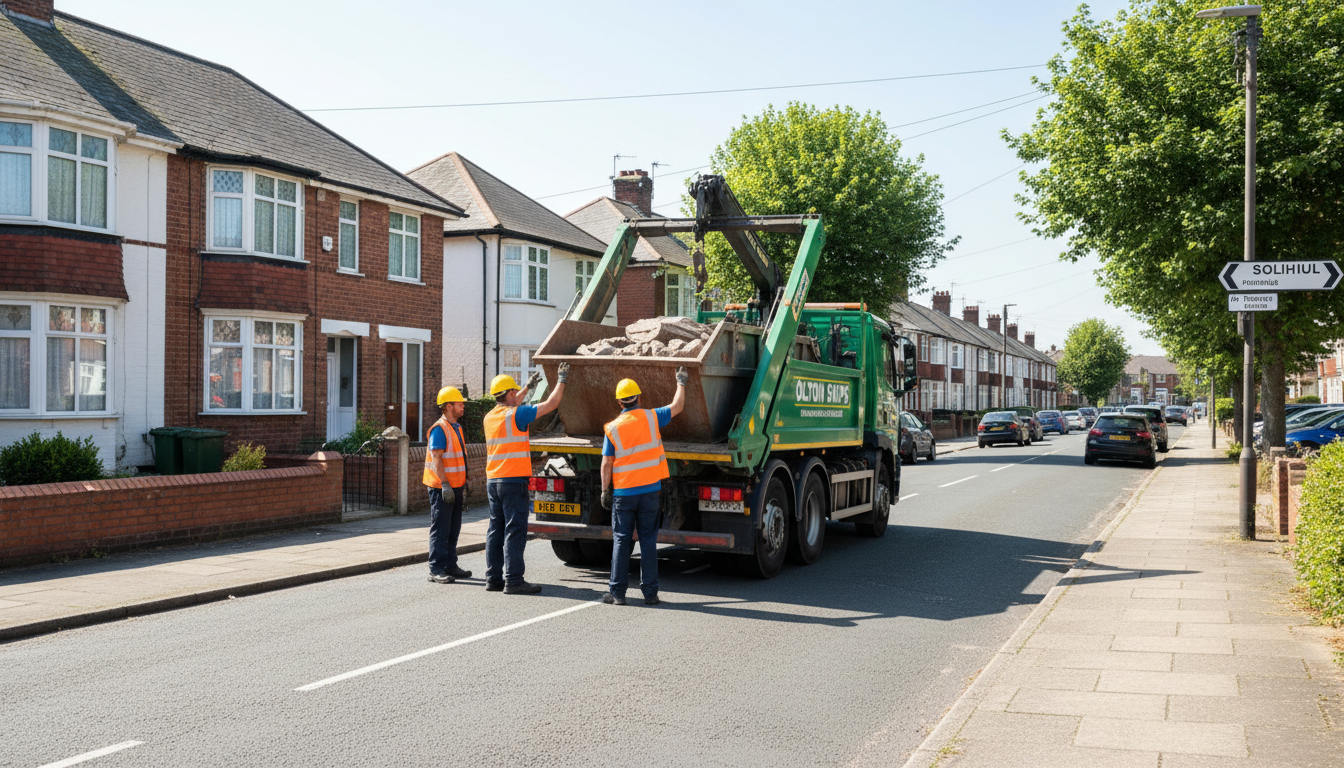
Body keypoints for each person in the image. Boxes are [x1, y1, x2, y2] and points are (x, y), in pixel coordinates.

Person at [600, 367, 687, 606]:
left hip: (624, 494)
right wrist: (681, 381)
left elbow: (607, 463)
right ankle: (650, 594)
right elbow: (677, 406)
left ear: (619, 402)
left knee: (621, 540)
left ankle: (617, 594)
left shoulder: (612, 428)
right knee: (648, 541)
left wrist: (605, 490)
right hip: (649, 491)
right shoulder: (652, 417)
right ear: (639, 397)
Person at [483, 363, 568, 594]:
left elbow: (511, 403)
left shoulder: (490, 417)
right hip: (513, 481)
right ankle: (514, 580)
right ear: (510, 393)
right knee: (515, 530)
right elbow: (552, 404)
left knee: (495, 529)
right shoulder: (517, 414)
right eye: (516, 392)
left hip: (494, 481)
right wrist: (561, 379)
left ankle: (493, 579)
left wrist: (527, 388)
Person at [424, 386, 471, 584]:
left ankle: (450, 564)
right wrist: (445, 485)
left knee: (453, 528)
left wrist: (464, 482)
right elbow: (436, 459)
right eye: (459, 404)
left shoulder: (457, 428)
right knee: (441, 528)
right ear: (448, 406)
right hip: (441, 488)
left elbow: (459, 459)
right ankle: (436, 568)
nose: (462, 407)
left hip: (456, 486)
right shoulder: (439, 429)